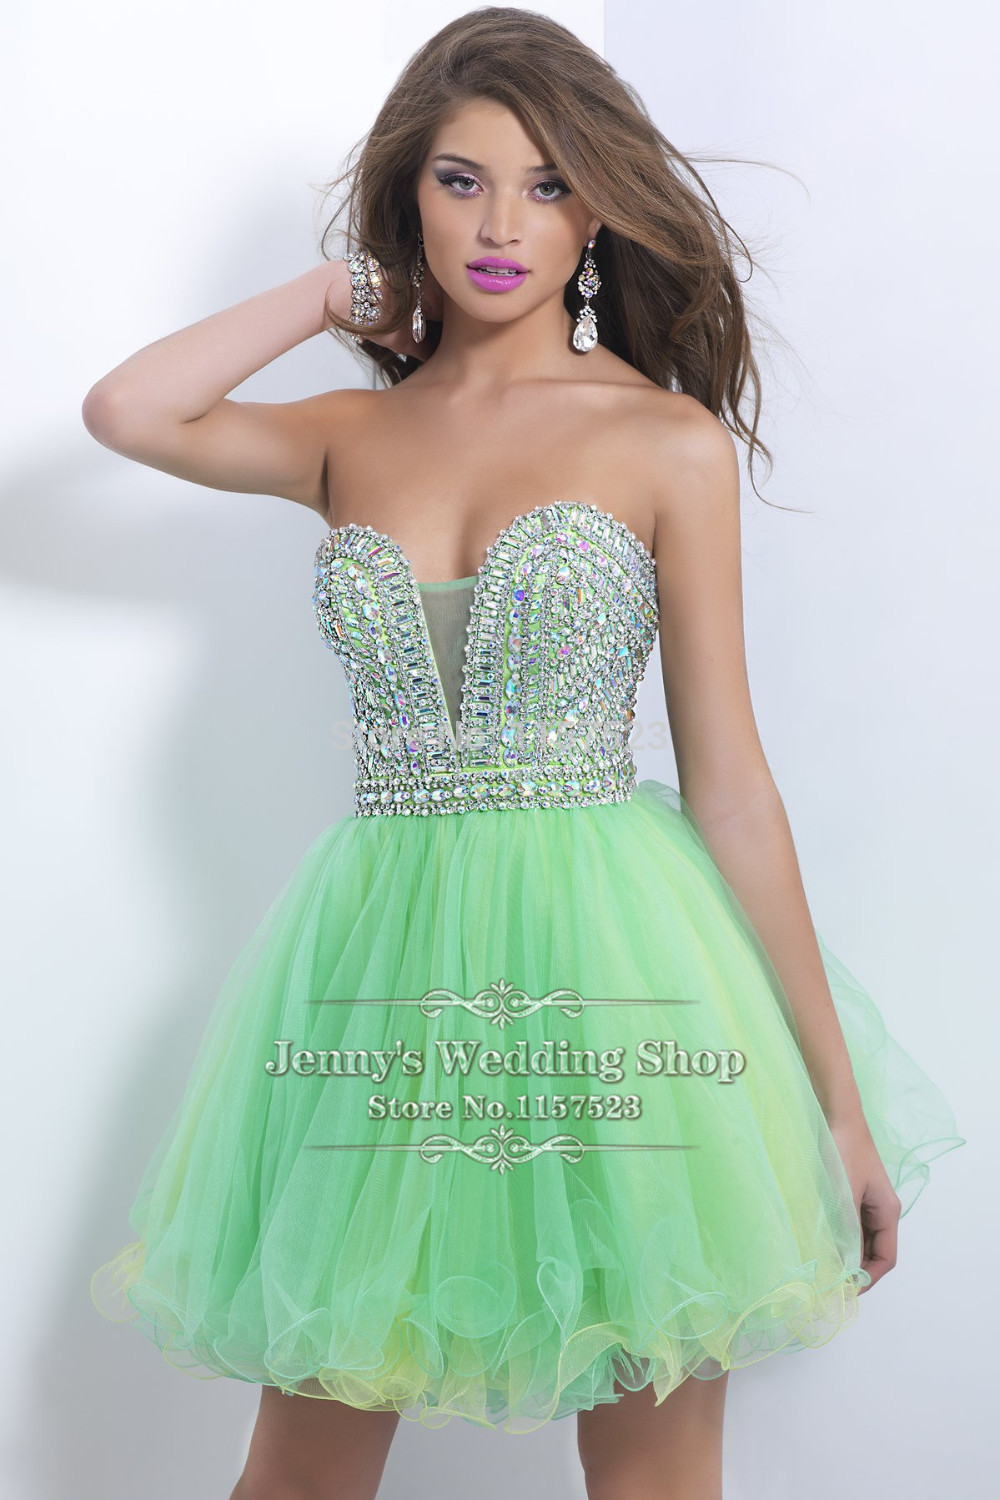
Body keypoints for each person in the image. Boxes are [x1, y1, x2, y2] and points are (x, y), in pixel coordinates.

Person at [84, 10, 964, 1499]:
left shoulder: (665, 443)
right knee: (298, 1468)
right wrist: (331, 292)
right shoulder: (347, 436)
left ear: (599, 209)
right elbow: (127, 410)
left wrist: (835, 1100)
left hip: (615, 970)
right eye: (462, 181)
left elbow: (732, 784)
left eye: (549, 186)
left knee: (652, 1471)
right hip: (381, 974)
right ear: (410, 199)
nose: (502, 227)